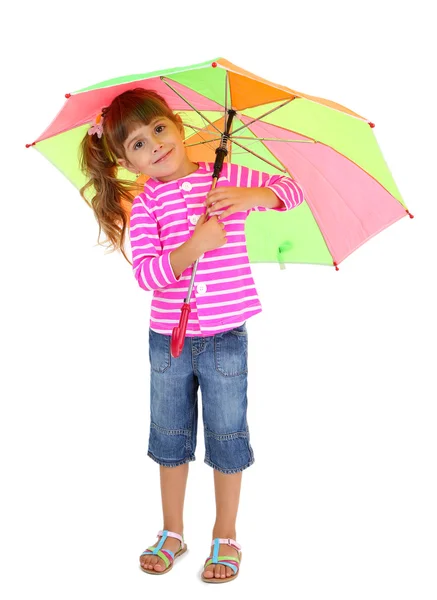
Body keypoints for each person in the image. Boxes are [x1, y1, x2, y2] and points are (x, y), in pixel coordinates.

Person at [80, 88, 305, 583]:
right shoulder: (146, 205)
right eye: (137, 144)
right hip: (169, 341)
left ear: (177, 125)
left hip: (226, 335)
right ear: (127, 162)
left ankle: (226, 535)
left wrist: (255, 196)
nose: (154, 145)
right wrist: (194, 245)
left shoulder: (225, 178)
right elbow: (146, 275)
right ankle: (173, 532)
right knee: (171, 434)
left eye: (158, 129)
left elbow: (293, 189)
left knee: (227, 434)